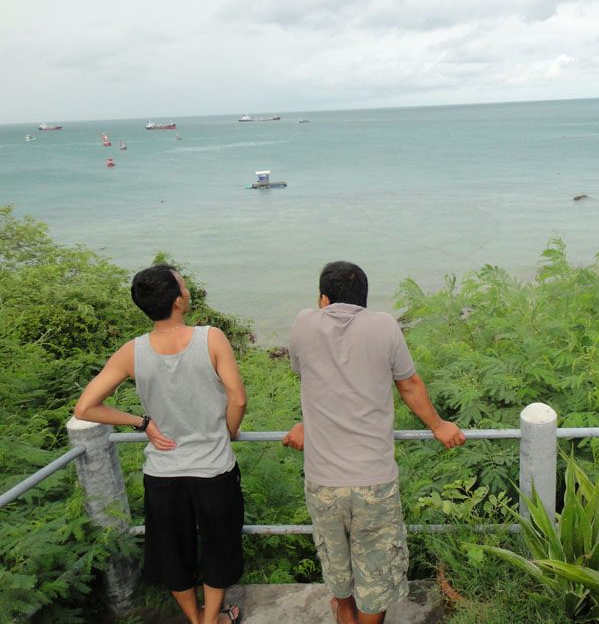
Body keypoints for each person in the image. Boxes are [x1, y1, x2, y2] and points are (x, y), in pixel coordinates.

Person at [282, 261, 466, 624]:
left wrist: (307, 424)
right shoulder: (385, 326)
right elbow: (409, 385)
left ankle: (343, 616)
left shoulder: (304, 323)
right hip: (375, 481)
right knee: (376, 574)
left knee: (337, 567)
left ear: (323, 299)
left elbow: (317, 379)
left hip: (323, 481)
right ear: (364, 298)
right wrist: (438, 425)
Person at [74, 265, 247, 624]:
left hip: (163, 474)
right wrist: (228, 432)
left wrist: (142, 422)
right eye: (183, 286)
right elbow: (238, 400)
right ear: (178, 301)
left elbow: (86, 407)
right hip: (213, 469)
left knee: (173, 554)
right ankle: (213, 619)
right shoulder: (211, 338)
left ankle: (196, 618)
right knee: (219, 549)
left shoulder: (131, 352)